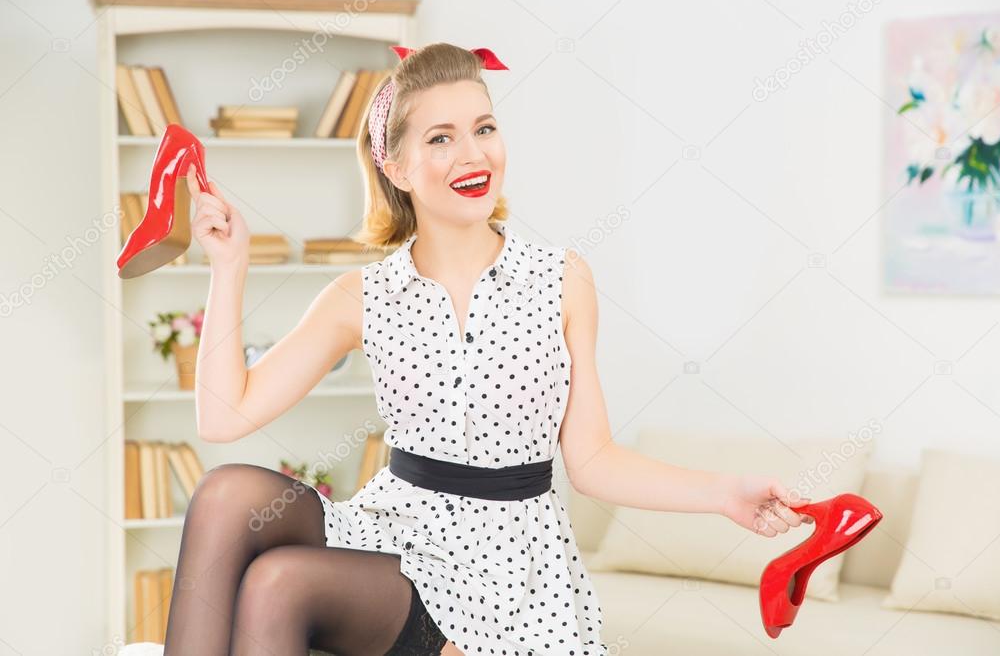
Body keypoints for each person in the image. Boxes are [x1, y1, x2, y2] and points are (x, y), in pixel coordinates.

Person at [134, 42, 811, 656]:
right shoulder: (361, 294)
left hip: (507, 574)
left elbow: (595, 461)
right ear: (394, 166)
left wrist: (724, 493)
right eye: (440, 138)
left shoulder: (561, 279)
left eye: (483, 128)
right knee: (227, 497)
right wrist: (229, 267)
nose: (473, 154)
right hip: (395, 536)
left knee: (278, 583)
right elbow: (223, 417)